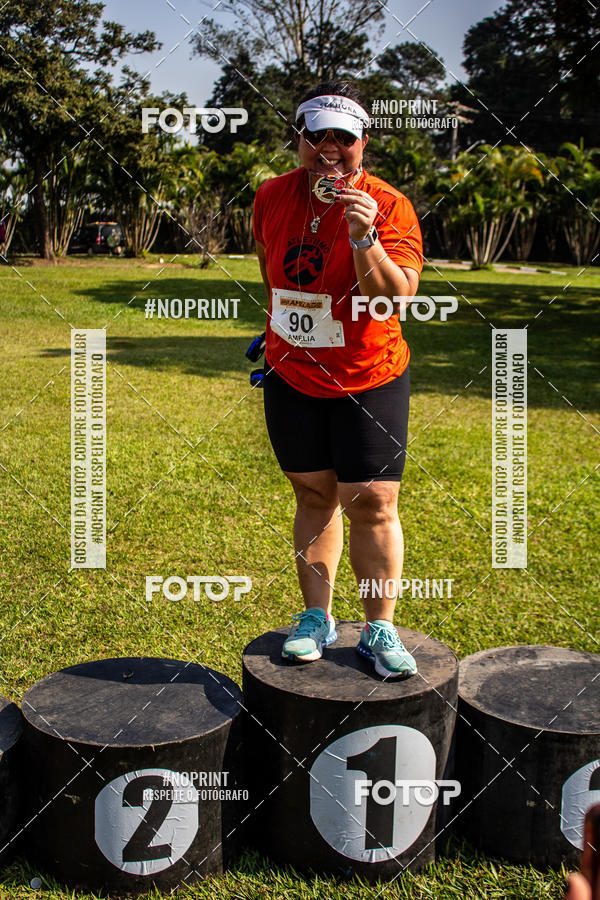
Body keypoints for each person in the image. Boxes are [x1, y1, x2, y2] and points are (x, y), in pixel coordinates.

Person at [252, 82, 423, 678]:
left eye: (342, 137)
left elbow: (394, 298)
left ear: (363, 143)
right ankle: (316, 618)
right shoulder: (271, 195)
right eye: (316, 134)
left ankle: (379, 628)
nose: (328, 147)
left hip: (367, 375)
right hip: (292, 373)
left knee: (372, 501)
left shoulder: (388, 205)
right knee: (313, 494)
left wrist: (362, 237)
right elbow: (270, 269)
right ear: (298, 138)